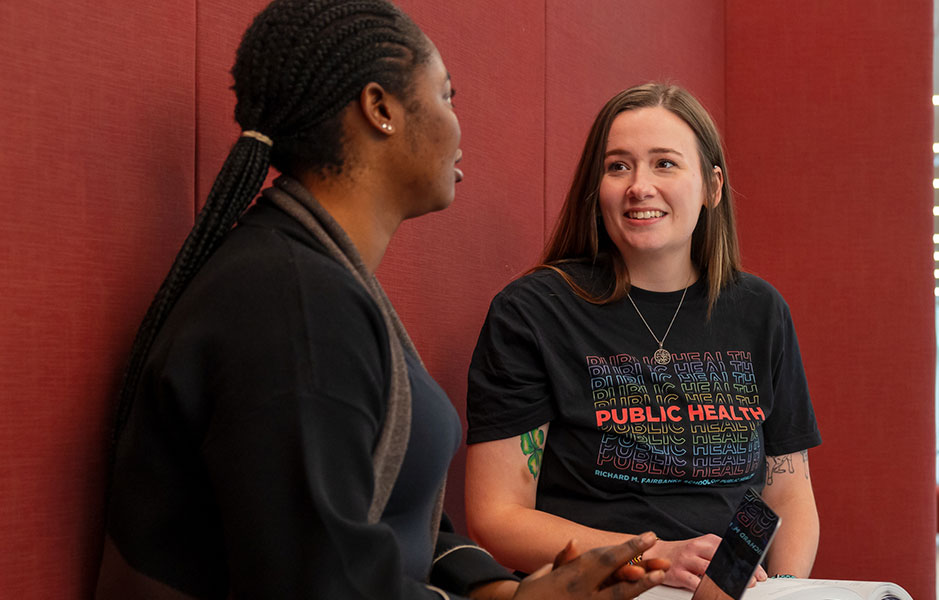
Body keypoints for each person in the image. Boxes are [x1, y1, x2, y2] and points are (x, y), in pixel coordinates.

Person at [97, 1, 671, 598]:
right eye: (447, 95)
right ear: (381, 110)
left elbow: (393, 511)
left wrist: (495, 589)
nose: (457, 124)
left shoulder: (320, 279)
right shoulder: (292, 306)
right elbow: (319, 581)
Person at [463, 83, 822, 592]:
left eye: (665, 164)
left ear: (712, 188)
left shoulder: (760, 312)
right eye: (618, 166)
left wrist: (783, 588)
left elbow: (787, 494)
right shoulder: (533, 313)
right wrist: (656, 556)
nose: (639, 186)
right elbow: (496, 516)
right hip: (603, 590)